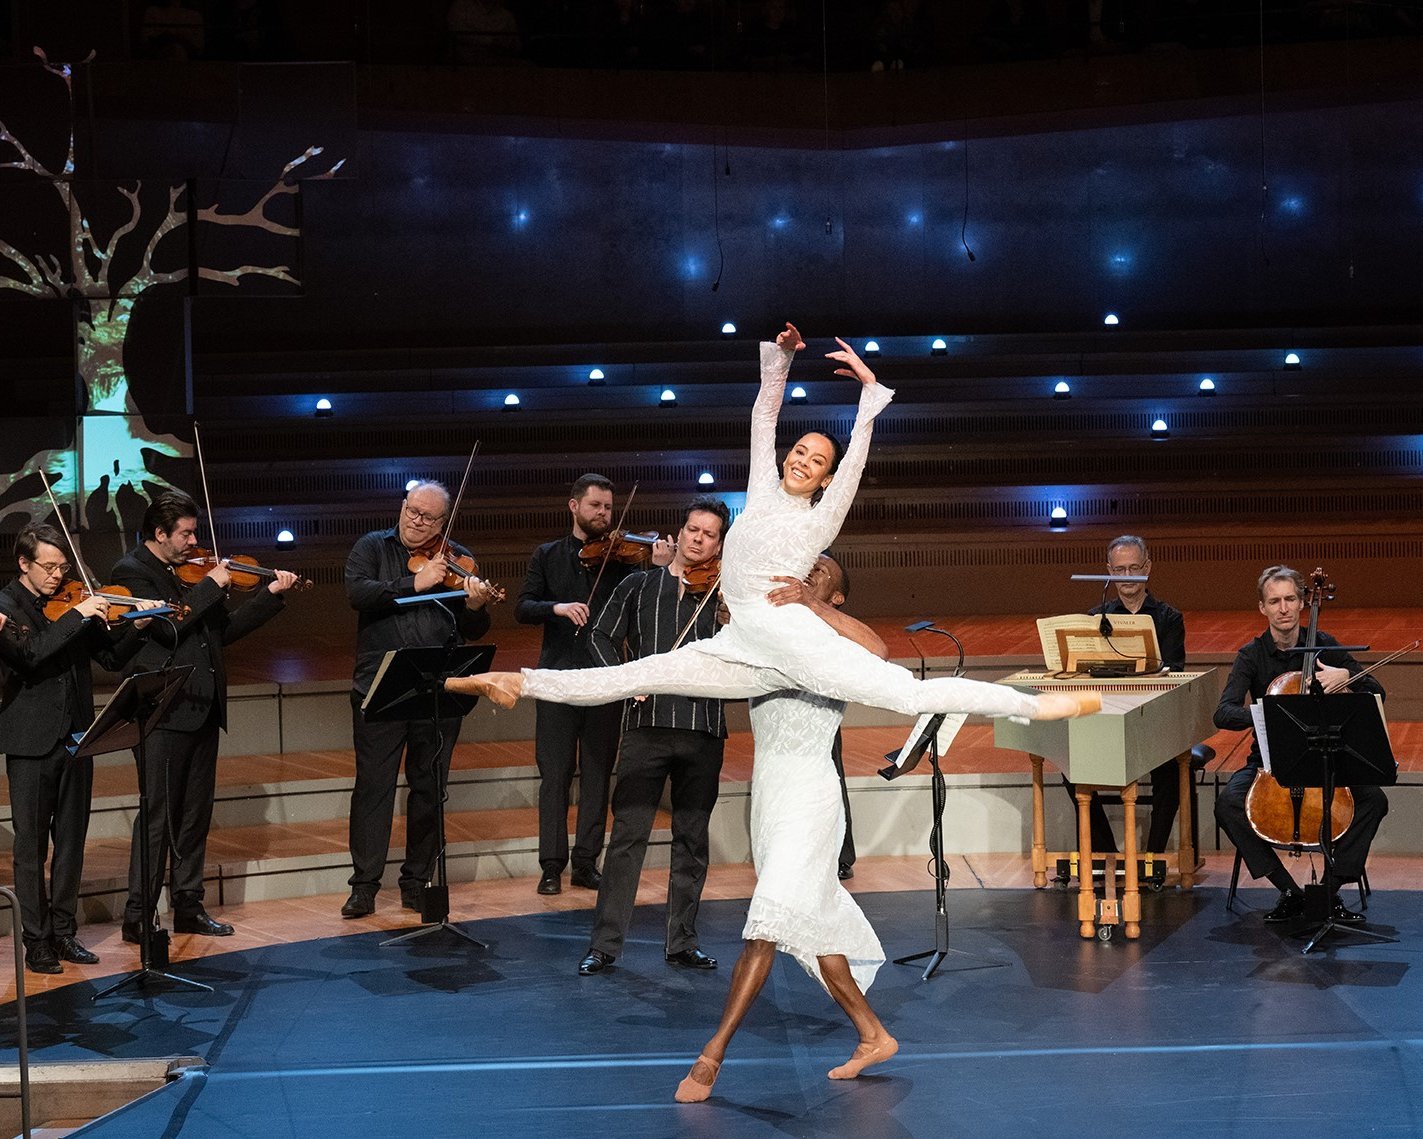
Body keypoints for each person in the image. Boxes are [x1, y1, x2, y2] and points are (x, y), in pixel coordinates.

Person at [451, 324, 1097, 726]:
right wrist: (781, 360)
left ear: (821, 478)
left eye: (816, 460)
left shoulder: (819, 518)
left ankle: (1034, 706)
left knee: (903, 693)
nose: (802, 458)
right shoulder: (761, 486)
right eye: (801, 450)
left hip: (786, 635)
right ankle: (518, 682)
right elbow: (764, 417)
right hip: (744, 647)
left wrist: (868, 399)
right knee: (638, 674)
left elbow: (854, 461)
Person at [676, 550, 895, 1103]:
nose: (808, 572)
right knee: (814, 924)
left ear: (837, 596)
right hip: (770, 800)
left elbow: (881, 650)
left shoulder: (840, 648)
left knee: (765, 923)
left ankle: (711, 1057)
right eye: (807, 568)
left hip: (813, 799)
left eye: (822, 573)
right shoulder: (772, 640)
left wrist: (811, 604)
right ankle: (873, 1035)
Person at [111, 490, 298, 943]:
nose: (195, 542)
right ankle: (139, 914)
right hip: (161, 713)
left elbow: (222, 633)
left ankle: (188, 906)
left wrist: (269, 596)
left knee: (195, 816)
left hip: (201, 708)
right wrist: (211, 587)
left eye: (195, 531)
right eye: (186, 533)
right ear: (160, 534)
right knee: (159, 815)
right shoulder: (132, 573)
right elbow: (169, 626)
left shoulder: (189, 573)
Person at [577, 496, 731, 976]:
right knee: (627, 838)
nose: (697, 538)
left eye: (708, 534)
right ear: (680, 532)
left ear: (720, 543)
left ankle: (682, 941)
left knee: (692, 840)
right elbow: (599, 635)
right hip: (646, 727)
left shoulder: (727, 594)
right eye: (692, 529)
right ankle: (605, 945)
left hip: (703, 727)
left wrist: (735, 620)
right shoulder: (639, 584)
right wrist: (627, 680)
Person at [0, 526, 158, 974]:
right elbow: (31, 655)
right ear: (24, 564)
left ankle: (65, 932)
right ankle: (37, 941)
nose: (57, 575)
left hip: (77, 737)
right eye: (48, 567)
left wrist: (137, 627)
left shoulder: (72, 601)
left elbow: (109, 658)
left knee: (71, 842)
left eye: (62, 567)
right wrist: (80, 614)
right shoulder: (5, 606)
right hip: (31, 743)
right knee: (31, 849)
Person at [340, 481, 497, 919]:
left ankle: (416, 881)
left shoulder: (458, 559)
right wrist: (415, 582)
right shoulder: (372, 547)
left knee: (430, 787)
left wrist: (478, 605)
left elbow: (475, 629)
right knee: (375, 788)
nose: (417, 522)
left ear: (442, 522)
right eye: (412, 511)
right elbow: (359, 594)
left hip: (438, 686)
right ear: (402, 507)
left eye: (428, 518)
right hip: (380, 684)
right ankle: (364, 886)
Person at [516, 474, 674, 896]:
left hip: (606, 677)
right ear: (574, 506)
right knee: (555, 775)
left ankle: (587, 862)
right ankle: (551, 866)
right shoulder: (547, 555)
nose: (604, 514)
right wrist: (558, 607)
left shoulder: (626, 561)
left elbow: (649, 608)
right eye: (596, 506)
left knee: (598, 774)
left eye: (608, 507)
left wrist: (658, 567)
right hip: (558, 678)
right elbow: (522, 607)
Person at [1212, 565, 1387, 923]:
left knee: (1374, 801)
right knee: (1227, 803)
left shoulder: (1324, 645)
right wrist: (1270, 713)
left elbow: (1377, 691)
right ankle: (1290, 892)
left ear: (1303, 602)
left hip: (1327, 758)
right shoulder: (1252, 655)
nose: (1284, 608)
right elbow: (1224, 713)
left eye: (1290, 599)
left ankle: (1328, 891)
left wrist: (1347, 677)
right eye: (1274, 601)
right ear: (1263, 608)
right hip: (1271, 763)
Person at [1062, 534, 1188, 854]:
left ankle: (1151, 860)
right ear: (1108, 571)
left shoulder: (1169, 618)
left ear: (1148, 567)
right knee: (1071, 771)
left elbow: (1173, 673)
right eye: (1119, 571)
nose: (1128, 578)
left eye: (1135, 568)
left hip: (1154, 725)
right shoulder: (1095, 618)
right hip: (1109, 724)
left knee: (1171, 773)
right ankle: (1108, 856)